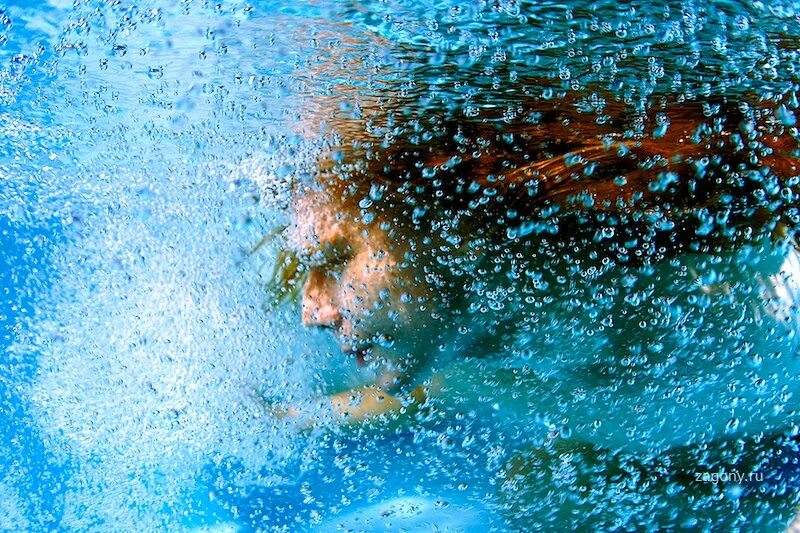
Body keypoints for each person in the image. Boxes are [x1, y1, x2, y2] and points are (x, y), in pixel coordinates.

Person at [266, 89, 800, 527]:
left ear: (449, 227)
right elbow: (432, 393)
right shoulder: (471, 335)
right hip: (693, 467)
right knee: (542, 494)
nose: (311, 312)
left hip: (780, 461)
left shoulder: (690, 264)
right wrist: (286, 421)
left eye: (334, 260)